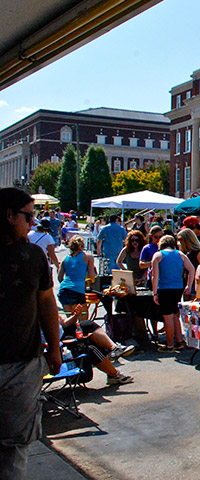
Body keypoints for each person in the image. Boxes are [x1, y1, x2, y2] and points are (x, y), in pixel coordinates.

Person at [0, 188, 62, 479]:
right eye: (29, 215)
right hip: (18, 363)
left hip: (22, 364)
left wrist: (54, 347)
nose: (33, 222)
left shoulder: (32, 255)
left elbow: (47, 302)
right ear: (9, 215)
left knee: (14, 448)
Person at [60, 304, 135, 384]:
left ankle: (114, 348)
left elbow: (64, 323)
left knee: (88, 325)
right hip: (56, 343)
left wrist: (75, 315)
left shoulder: (49, 309)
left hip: (62, 334)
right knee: (91, 348)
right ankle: (114, 375)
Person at [151, 235, 195, 352]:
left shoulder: (158, 255)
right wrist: (189, 285)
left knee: (168, 317)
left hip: (164, 288)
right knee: (175, 314)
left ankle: (170, 344)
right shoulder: (180, 255)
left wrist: (154, 293)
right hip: (178, 287)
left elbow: (154, 276)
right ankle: (179, 340)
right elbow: (191, 269)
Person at [58, 236, 96, 314]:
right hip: (78, 291)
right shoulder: (88, 257)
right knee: (83, 320)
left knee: (70, 321)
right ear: (83, 245)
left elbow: (59, 277)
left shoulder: (65, 259)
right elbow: (92, 275)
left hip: (64, 290)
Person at [176, 227, 200, 299]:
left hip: (195, 284)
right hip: (184, 281)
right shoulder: (185, 253)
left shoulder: (198, 253)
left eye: (181, 240)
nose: (180, 243)